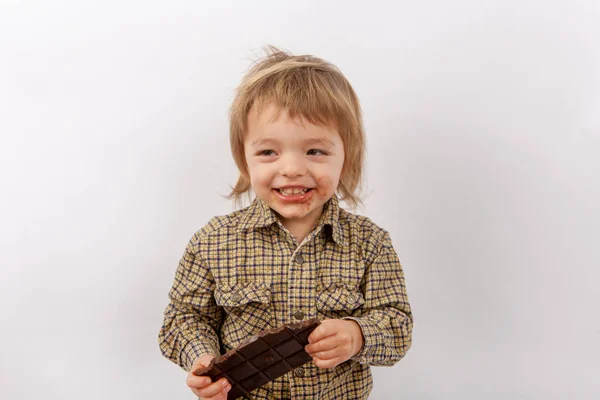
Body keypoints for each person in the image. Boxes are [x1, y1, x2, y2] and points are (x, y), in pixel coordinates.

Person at [158, 46, 414, 400]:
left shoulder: (370, 243)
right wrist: (202, 359)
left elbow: (398, 324)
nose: (292, 168)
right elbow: (182, 320)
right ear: (245, 160)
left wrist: (357, 334)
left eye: (315, 151)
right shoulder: (212, 241)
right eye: (268, 152)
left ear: (346, 156)